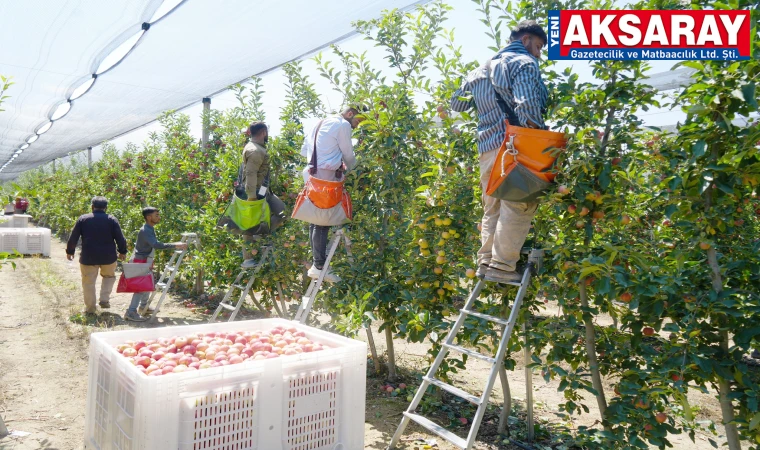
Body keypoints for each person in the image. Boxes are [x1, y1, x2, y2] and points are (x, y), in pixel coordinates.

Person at [450, 20, 548, 284]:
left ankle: (485, 261)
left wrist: (482, 99)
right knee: (519, 204)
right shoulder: (524, 63)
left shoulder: (477, 71)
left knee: (492, 205)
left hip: (487, 147)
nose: (538, 53)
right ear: (526, 39)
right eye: (538, 46)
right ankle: (503, 266)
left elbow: (457, 104)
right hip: (515, 145)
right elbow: (527, 106)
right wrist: (537, 141)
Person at [300, 106, 364, 283]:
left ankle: (316, 264)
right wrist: (355, 170)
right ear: (350, 114)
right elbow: (348, 153)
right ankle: (320, 266)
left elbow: (304, 150)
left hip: (312, 174)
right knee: (323, 220)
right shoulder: (342, 124)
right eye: (358, 122)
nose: (356, 127)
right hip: (326, 176)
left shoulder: (318, 122)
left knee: (316, 219)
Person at [66, 196, 128, 314]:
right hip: (108, 256)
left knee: (88, 282)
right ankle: (104, 300)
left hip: (88, 256)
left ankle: (90, 309)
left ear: (92, 207)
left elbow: (73, 237)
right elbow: (120, 238)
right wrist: (122, 251)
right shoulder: (111, 219)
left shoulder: (83, 219)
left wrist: (70, 251)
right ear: (106, 207)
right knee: (109, 277)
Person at [124, 206, 187, 322]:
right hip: (141, 261)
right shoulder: (146, 230)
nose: (159, 217)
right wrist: (175, 245)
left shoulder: (149, 228)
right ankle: (131, 312)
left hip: (145, 260)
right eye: (156, 215)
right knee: (140, 288)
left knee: (146, 285)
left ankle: (143, 307)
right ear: (149, 217)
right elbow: (156, 244)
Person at [240, 122, 270, 269]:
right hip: (256, 191)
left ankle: (251, 255)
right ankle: (249, 258)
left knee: (253, 223)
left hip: (259, 190)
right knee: (252, 224)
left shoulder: (254, 147)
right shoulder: (256, 150)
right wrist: (252, 196)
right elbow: (250, 173)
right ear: (263, 132)